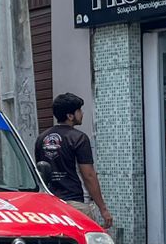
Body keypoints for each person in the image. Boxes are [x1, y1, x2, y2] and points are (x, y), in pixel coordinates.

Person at [34, 92, 114, 229]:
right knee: (86, 243)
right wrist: (103, 208)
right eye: (79, 111)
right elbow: (88, 175)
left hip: (50, 204)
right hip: (75, 203)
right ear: (70, 116)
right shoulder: (79, 138)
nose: (82, 114)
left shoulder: (41, 138)